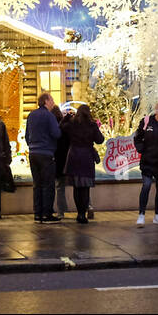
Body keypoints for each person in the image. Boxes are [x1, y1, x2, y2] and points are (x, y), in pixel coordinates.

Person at [62, 103, 105, 224]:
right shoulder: (92, 125)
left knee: (77, 187)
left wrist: (66, 117)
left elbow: (61, 127)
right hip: (86, 157)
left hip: (74, 156)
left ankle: (79, 213)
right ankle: (83, 214)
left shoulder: (72, 123)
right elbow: (100, 140)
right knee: (85, 188)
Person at [26, 93, 62, 223]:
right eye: (52, 100)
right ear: (46, 101)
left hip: (33, 153)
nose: (53, 102)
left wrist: (32, 146)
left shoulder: (31, 115)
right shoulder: (49, 116)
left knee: (37, 184)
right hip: (46, 153)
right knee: (48, 184)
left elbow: (26, 135)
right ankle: (47, 214)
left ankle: (37, 214)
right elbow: (56, 133)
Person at [52, 103, 70, 218]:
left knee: (59, 187)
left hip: (58, 159)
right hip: (69, 158)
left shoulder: (53, 127)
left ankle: (61, 211)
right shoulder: (67, 125)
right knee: (79, 185)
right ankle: (88, 206)